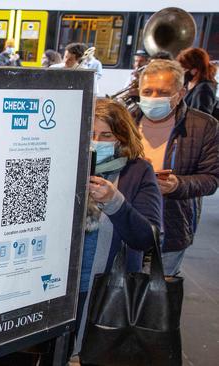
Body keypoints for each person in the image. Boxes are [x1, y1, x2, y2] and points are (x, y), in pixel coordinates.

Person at [73, 98, 162, 354]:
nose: (96, 142)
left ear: (122, 137)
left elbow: (147, 238)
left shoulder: (138, 171)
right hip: (58, 288)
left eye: (106, 135)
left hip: (107, 290)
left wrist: (115, 202)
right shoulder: (66, 165)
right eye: (90, 134)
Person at [136, 60, 219, 276]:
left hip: (170, 228)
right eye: (147, 91)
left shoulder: (204, 126)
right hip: (126, 226)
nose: (153, 98)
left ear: (180, 93)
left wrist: (177, 185)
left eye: (162, 92)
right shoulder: (127, 120)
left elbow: (211, 179)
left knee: (157, 298)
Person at [177, 47, 218, 115]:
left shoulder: (204, 89)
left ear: (196, 69)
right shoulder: (188, 81)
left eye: (184, 69)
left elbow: (200, 120)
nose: (182, 72)